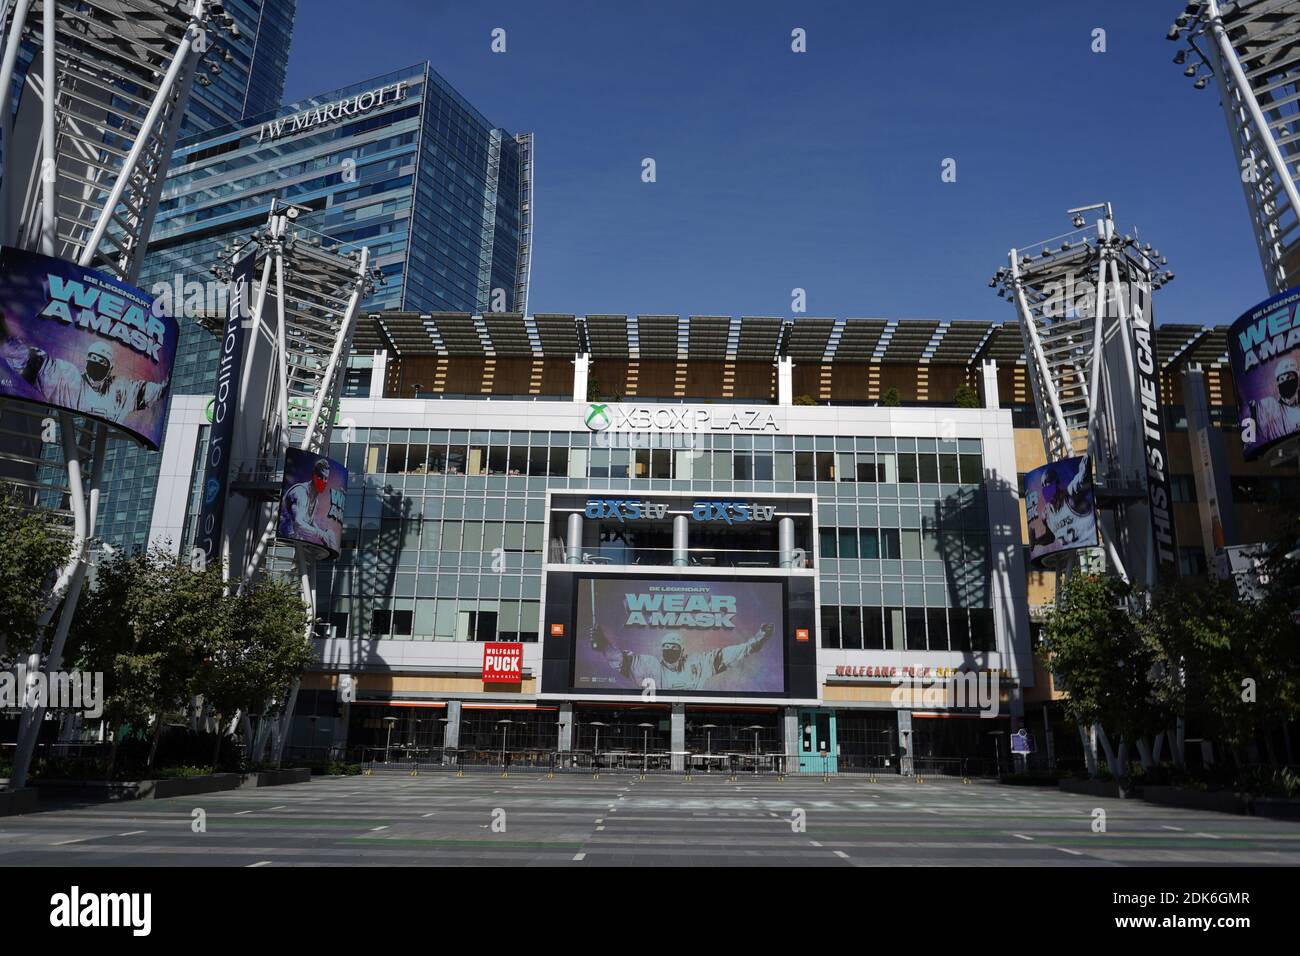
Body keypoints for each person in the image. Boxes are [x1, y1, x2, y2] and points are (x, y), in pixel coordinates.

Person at [0, 313, 168, 425]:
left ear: (109, 368)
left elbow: (149, 391)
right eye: (92, 359)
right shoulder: (70, 379)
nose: (96, 363)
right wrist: (8, 342)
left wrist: (166, 381)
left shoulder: (121, 390)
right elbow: (39, 364)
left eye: (101, 361)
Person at [589, 623, 774, 691]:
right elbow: (622, 660)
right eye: (666, 648)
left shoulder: (698, 663)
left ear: (681, 650)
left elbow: (727, 655)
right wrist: (604, 644)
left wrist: (754, 642)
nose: (669, 650)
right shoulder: (650, 665)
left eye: (673, 648)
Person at [1027, 459, 1094, 551]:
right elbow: (1051, 537)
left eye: (1050, 488)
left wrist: (1085, 463)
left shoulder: (1070, 496)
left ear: (1057, 485)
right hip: (1072, 553)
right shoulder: (1046, 515)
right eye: (1046, 490)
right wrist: (1036, 541)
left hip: (1089, 546)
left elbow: (1080, 480)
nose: (1049, 493)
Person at [279, 458, 339, 553]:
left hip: (295, 542)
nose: (323, 481)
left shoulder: (315, 501)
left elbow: (310, 522)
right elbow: (298, 523)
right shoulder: (300, 493)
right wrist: (321, 534)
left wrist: (324, 536)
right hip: (281, 540)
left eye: (326, 478)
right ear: (313, 475)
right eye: (320, 476)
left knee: (330, 534)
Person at [1252, 354, 1300, 446]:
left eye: (1289, 377)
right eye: (1282, 379)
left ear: (1297, 380)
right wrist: (1253, 412)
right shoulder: (1272, 408)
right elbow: (1256, 433)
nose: (1286, 381)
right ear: (1278, 384)